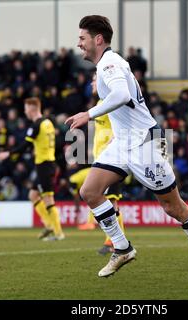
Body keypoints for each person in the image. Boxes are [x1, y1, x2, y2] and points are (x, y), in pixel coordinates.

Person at [65, 15, 188, 288]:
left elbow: (121, 96)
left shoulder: (110, 64)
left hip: (144, 144)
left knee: (173, 207)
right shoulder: (107, 64)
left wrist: (88, 114)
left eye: (82, 38)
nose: (79, 44)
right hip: (122, 142)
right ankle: (122, 248)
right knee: (90, 192)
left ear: (98, 39)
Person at [70, 73, 127, 256]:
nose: (92, 83)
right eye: (92, 80)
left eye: (95, 80)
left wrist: (117, 138)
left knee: (111, 201)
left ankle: (115, 242)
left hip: (113, 159)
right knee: (108, 201)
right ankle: (115, 241)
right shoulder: (98, 106)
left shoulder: (112, 103)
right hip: (101, 160)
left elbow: (125, 123)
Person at [0, 97, 64, 241]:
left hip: (45, 165)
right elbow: (56, 143)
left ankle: (58, 233)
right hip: (47, 163)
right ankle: (49, 225)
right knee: (33, 195)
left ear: (32, 109)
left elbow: (24, 146)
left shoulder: (36, 125)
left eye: (26, 109)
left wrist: (8, 153)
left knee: (48, 199)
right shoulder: (48, 123)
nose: (25, 111)